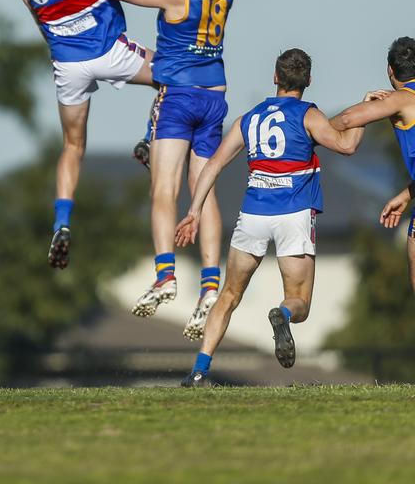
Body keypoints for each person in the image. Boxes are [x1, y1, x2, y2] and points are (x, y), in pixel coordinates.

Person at [12, 0, 202, 270]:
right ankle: (150, 140)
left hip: (66, 62)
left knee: (73, 144)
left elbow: (39, 18)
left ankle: (62, 221)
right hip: (108, 48)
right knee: (177, 73)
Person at [90, 0, 251, 339]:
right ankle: (209, 284)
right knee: (203, 194)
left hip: (178, 98)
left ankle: (164, 276)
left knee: (164, 190)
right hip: (214, 99)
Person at [175, 50, 366, 386]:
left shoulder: (248, 119)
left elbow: (214, 164)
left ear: (275, 77)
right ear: (308, 81)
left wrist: (193, 212)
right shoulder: (309, 115)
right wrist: (364, 114)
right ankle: (284, 314)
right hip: (293, 215)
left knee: (229, 295)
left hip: (253, 215)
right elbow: (346, 145)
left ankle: (199, 370)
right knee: (300, 301)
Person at [330, 36, 415, 288]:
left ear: (390, 70)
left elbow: (346, 120)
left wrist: (310, 130)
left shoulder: (401, 100)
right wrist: (407, 194)